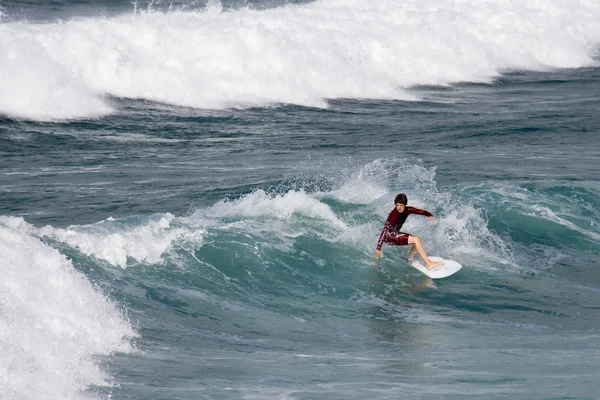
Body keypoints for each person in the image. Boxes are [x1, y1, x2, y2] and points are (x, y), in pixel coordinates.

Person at [373, 193, 443, 270]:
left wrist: (429, 215)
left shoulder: (408, 210)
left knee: (417, 240)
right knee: (416, 240)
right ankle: (429, 264)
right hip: (389, 236)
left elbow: (419, 211)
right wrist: (378, 248)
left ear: (405, 205)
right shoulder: (394, 215)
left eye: (401, 205)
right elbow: (384, 231)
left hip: (395, 234)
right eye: (397, 205)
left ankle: (410, 260)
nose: (399, 208)